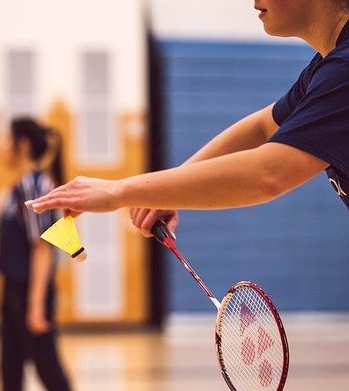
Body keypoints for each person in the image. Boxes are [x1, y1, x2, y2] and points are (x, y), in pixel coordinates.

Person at [25, 0, 349, 238]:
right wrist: (163, 191)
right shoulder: (326, 67)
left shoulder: (344, 69)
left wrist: (118, 191)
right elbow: (263, 127)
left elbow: (269, 173)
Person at [0, 118, 80, 391]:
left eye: (6, 139)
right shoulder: (19, 186)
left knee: (49, 372)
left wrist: (34, 306)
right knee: (10, 372)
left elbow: (42, 248)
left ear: (23, 145)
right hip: (13, 291)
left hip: (29, 293)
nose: (0, 146)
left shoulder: (35, 185)